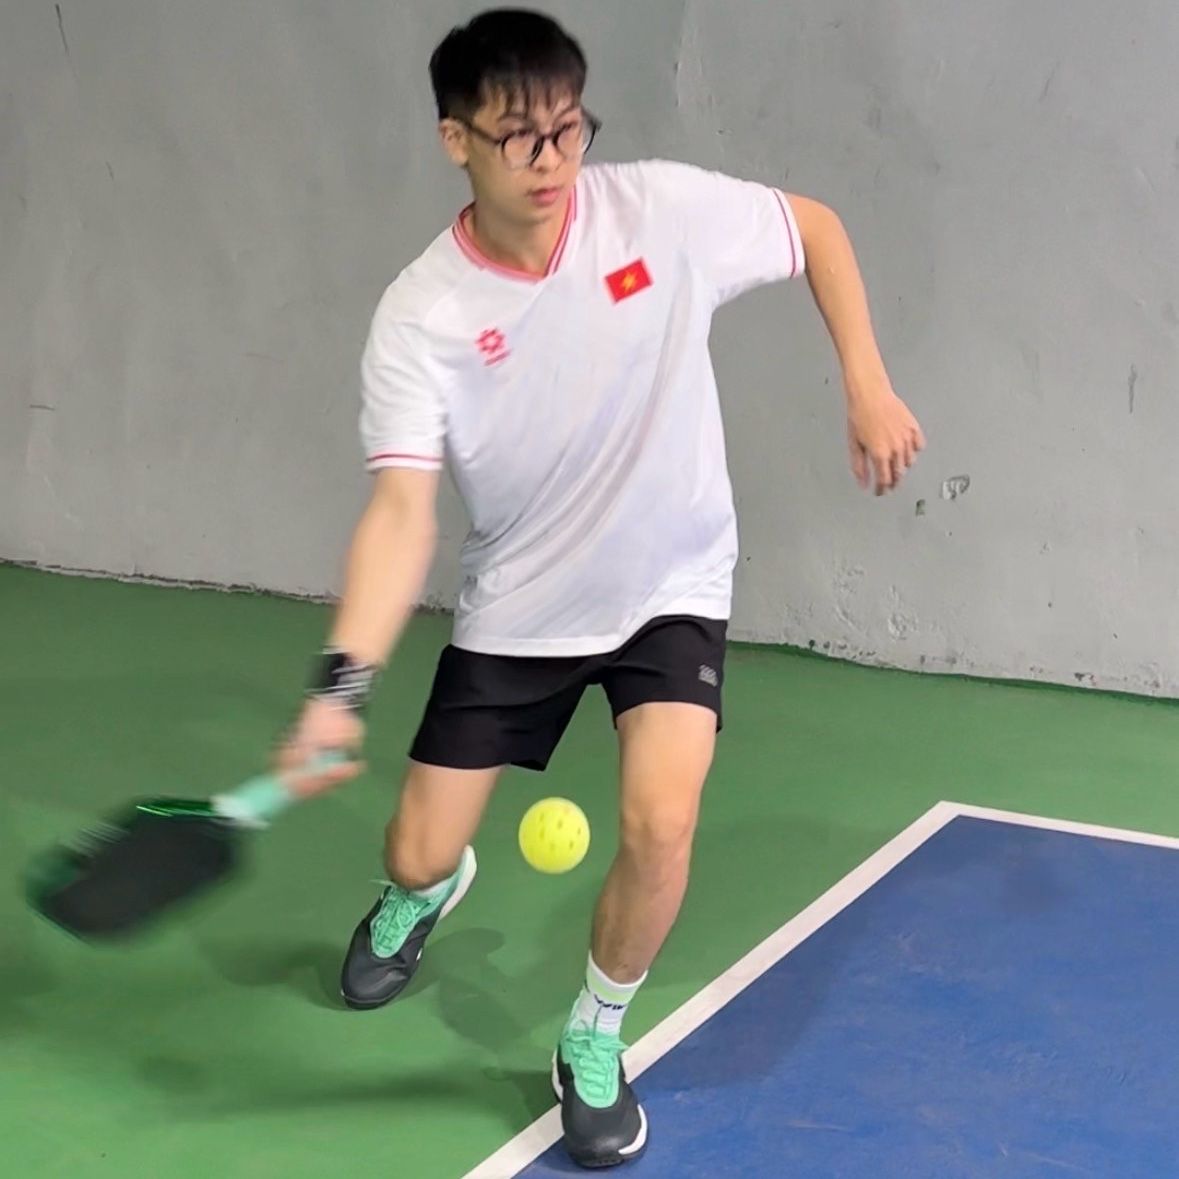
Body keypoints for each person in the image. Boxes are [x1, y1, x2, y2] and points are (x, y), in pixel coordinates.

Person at [278, 7, 925, 1169]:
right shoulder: (424, 316)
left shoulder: (658, 213)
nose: (551, 161)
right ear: (455, 140)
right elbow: (401, 513)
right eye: (518, 136)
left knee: (662, 820)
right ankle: (426, 889)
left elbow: (815, 229)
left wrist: (867, 384)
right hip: (521, 602)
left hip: (673, 579)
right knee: (416, 850)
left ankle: (594, 1029)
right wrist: (343, 685)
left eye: (569, 130)